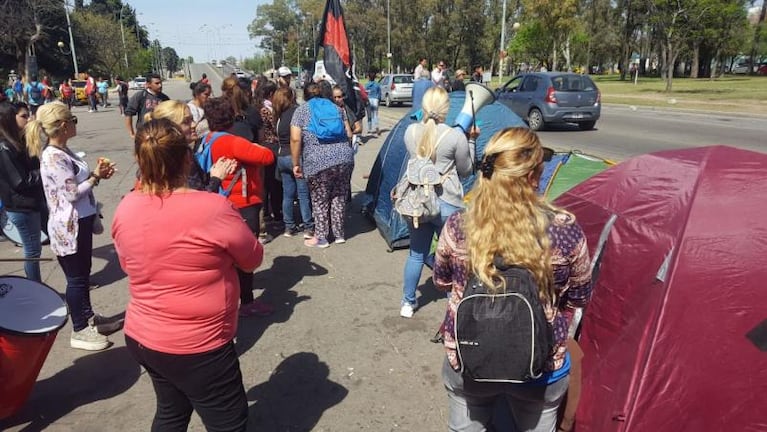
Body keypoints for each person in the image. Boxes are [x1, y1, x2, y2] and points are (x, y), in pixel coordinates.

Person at [434, 127, 593, 432]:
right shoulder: (565, 230)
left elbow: (441, 281)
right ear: (535, 175)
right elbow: (580, 296)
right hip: (542, 365)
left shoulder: (458, 226)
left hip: (468, 358)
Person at [113, 118, 262, 432]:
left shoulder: (126, 207)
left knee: (172, 411)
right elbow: (251, 260)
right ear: (186, 158)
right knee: (229, 423)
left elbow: (129, 266)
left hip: (144, 337)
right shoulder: (212, 208)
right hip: (198, 345)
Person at [27, 102, 121, 350]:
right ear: (63, 125)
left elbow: (77, 185)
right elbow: (71, 194)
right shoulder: (53, 156)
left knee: (82, 275)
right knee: (77, 279)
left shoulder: (63, 151)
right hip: (69, 226)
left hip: (80, 221)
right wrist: (95, 177)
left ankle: (89, 317)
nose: (74, 124)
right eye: (73, 120)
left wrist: (97, 175)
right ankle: (79, 328)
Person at [398, 86, 478, 318]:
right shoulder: (455, 136)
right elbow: (466, 171)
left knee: (416, 254)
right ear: (446, 109)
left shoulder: (410, 131)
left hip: (418, 204)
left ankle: (408, 302)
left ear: (423, 106)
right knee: (455, 255)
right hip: (448, 203)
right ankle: (454, 304)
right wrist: (472, 141)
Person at [202, 96, 275, 317]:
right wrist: (253, 145)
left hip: (220, 199)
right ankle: (246, 302)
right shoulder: (233, 142)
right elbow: (267, 156)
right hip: (243, 201)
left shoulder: (207, 139)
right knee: (244, 255)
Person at [291, 82, 354, 248]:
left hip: (317, 161)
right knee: (339, 196)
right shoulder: (336, 108)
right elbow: (348, 133)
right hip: (344, 158)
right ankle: (339, 234)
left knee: (320, 199)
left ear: (305, 95)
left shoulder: (302, 111)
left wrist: (296, 163)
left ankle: (321, 237)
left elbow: (296, 138)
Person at [144, 100, 235, 193]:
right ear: (170, 127)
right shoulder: (180, 157)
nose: (194, 125)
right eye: (186, 121)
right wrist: (216, 179)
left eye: (192, 119)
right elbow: (197, 197)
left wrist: (215, 172)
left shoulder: (160, 152)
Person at [0, 101, 45, 282]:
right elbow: (20, 181)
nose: (29, 119)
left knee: (35, 249)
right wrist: (46, 172)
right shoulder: (4, 147)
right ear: (10, 119)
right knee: (32, 251)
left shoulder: (19, 140)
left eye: (29, 115)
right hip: (20, 206)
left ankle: (36, 288)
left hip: (30, 202)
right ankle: (36, 288)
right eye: (24, 116)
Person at [273, 87, 313, 238]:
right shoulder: (296, 113)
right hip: (295, 155)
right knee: (303, 193)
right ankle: (308, 226)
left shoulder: (278, 116)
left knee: (287, 194)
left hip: (282, 156)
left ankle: (289, 226)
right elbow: (299, 136)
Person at [124, 73, 169, 138]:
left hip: (160, 133)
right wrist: (131, 133)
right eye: (157, 83)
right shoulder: (141, 96)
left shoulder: (164, 98)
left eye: (160, 83)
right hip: (144, 132)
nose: (160, 85)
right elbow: (128, 114)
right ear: (148, 84)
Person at [364, 71, 381, 137]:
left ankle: (369, 129)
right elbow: (379, 94)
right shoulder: (377, 85)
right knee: (375, 115)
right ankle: (376, 126)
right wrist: (379, 100)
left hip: (369, 100)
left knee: (369, 115)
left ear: (369, 77)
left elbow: (365, 93)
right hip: (375, 100)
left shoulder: (367, 85)